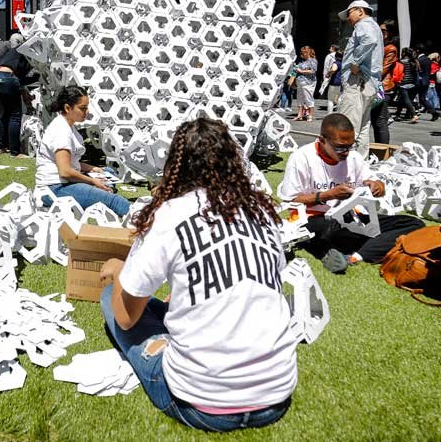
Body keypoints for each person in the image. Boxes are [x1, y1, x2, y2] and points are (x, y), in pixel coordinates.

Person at [98, 117, 297, 431]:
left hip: (199, 403)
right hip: (276, 396)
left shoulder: (170, 215)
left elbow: (125, 318)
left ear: (176, 164)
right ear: (233, 160)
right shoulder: (261, 212)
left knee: (113, 298)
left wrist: (120, 271)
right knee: (156, 305)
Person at [277, 113, 424, 273]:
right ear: (322, 140)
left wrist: (377, 186)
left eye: (350, 146)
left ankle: (356, 255)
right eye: (340, 147)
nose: (346, 152)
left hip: (352, 218)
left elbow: (376, 183)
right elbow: (290, 201)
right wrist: (328, 195)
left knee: (414, 224)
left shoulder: (353, 158)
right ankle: (365, 246)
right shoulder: (301, 157)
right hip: (314, 218)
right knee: (332, 230)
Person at [35, 86, 130, 216]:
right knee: (115, 201)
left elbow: (71, 161)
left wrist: (92, 168)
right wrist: (92, 181)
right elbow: (65, 171)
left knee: (108, 172)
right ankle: (144, 220)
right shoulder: (61, 132)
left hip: (63, 182)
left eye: (86, 107)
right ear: (68, 108)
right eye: (82, 108)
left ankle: (100, 193)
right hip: (55, 188)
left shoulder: (67, 126)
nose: (87, 112)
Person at [336, 0, 384, 157]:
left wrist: (355, 62)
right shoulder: (373, 26)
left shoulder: (363, 25)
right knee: (362, 124)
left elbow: (368, 40)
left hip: (357, 82)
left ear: (360, 11)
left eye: (349, 13)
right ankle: (360, 161)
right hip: (368, 82)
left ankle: (345, 163)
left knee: (348, 122)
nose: (348, 18)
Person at [0, 32, 37, 157]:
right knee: (15, 116)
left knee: (6, 114)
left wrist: (23, 91)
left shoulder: (12, 51)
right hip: (8, 78)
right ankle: (15, 152)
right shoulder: (26, 52)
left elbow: (19, 80)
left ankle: (1, 146)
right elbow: (20, 78)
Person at [393, 47, 420, 123]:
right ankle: (399, 114)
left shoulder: (401, 61)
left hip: (403, 83)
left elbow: (398, 71)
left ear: (404, 53)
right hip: (413, 83)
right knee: (404, 100)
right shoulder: (415, 61)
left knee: (406, 100)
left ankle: (414, 115)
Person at [293, 46, 317, 121]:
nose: (301, 55)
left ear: (307, 53)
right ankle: (300, 115)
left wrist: (301, 71)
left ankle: (310, 115)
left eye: (303, 53)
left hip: (308, 82)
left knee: (308, 98)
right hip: (300, 81)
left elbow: (313, 70)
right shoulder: (302, 61)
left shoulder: (312, 60)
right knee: (300, 98)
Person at [424, 52, 441, 121]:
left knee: (430, 96)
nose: (439, 59)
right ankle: (434, 109)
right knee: (433, 95)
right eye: (438, 58)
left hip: (431, 82)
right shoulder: (435, 64)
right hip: (432, 82)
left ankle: (432, 109)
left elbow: (431, 72)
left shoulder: (432, 64)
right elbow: (432, 72)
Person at [319, 44, 338, 108]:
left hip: (329, 73)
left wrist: (324, 75)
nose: (329, 48)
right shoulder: (338, 56)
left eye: (331, 47)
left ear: (333, 48)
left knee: (328, 88)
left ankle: (332, 102)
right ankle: (335, 101)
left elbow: (326, 66)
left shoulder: (329, 56)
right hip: (337, 73)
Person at [325, 49, 343, 113]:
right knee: (340, 99)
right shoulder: (344, 63)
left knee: (330, 99)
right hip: (342, 83)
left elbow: (333, 69)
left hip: (334, 82)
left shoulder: (336, 63)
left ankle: (329, 114)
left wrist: (328, 73)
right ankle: (339, 113)